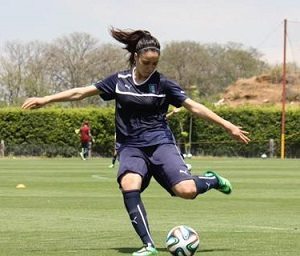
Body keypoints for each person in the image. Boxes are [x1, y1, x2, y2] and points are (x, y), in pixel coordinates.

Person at [21, 27, 250, 256]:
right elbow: (80, 93)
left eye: (155, 63)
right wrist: (46, 99)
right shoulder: (118, 81)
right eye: (147, 62)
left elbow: (194, 106)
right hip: (130, 147)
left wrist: (228, 126)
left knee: (186, 191)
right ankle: (149, 245)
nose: (151, 67)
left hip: (161, 144)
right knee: (129, 184)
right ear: (136, 57)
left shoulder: (163, 84)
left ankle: (211, 180)